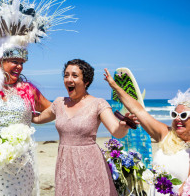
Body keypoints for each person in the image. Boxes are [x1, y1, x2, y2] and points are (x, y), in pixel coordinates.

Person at [0, 0, 74, 195]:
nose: (19, 66)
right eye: (14, 61)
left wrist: (76, 107)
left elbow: (52, 110)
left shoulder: (28, 89)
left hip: (22, 159)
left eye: (22, 62)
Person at [32, 59, 133, 195]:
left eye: (74, 75)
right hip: (65, 165)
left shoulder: (98, 104)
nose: (69, 79)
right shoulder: (58, 103)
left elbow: (117, 131)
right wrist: (17, 111)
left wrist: (123, 125)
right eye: (66, 75)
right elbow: (37, 118)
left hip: (90, 164)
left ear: (86, 82)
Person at [104, 68, 190, 196]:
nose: (177, 118)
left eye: (183, 115)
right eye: (174, 114)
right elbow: (139, 111)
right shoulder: (165, 134)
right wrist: (115, 86)